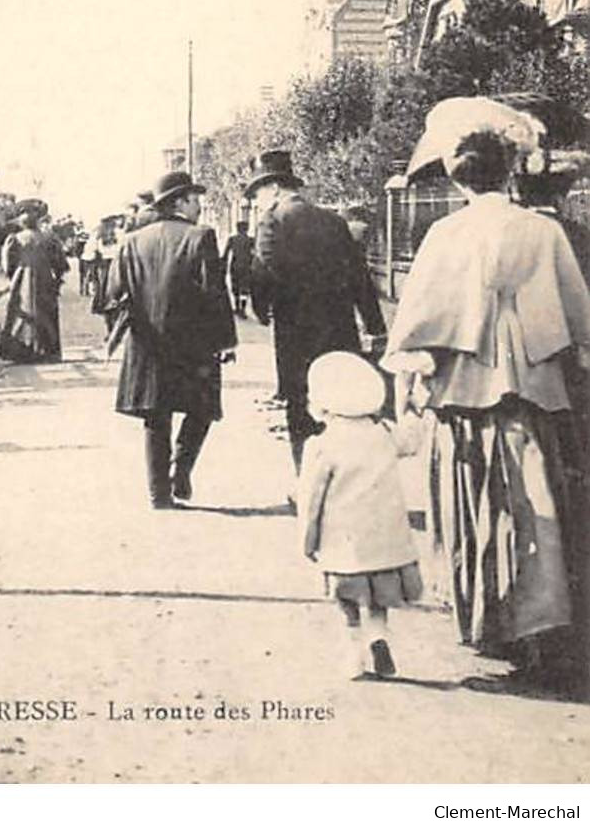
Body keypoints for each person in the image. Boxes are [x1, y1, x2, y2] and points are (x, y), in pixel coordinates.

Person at [384, 102, 590, 680]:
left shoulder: (445, 233)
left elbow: (421, 320)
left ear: (456, 178)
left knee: (473, 501)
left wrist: (415, 378)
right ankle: (542, 621)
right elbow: (578, 317)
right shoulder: (543, 230)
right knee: (534, 501)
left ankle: (486, 619)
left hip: (465, 389)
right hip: (533, 386)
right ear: (509, 171)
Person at [246, 150, 386, 477]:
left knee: (300, 405)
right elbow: (359, 277)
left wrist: (262, 309)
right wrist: (375, 325)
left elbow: (263, 269)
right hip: (339, 328)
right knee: (340, 403)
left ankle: (308, 482)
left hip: (296, 332)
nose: (257, 201)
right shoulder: (334, 221)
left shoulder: (273, 220)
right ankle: (345, 480)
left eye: (258, 193)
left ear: (275, 189)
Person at [106, 170, 237, 508]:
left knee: (156, 416)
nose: (200, 207)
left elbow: (113, 295)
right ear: (179, 202)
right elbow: (215, 295)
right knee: (202, 409)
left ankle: (158, 495)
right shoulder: (201, 237)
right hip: (193, 345)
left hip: (147, 344)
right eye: (195, 200)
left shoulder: (131, 242)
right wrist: (225, 341)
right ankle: (181, 468)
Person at [296, 351, 423, 680]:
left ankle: (354, 651)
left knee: (347, 600)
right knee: (378, 596)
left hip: (343, 545)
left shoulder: (322, 445)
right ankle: (378, 636)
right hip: (383, 541)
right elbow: (412, 441)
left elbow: (311, 499)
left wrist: (307, 541)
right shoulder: (384, 433)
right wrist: (409, 405)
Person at [0, 200, 68, 363]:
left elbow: (7, 263)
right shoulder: (50, 238)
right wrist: (57, 280)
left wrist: (14, 275)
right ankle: (47, 351)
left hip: (22, 278)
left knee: (21, 310)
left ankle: (22, 351)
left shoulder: (14, 238)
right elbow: (60, 263)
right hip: (45, 278)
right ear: (37, 220)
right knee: (46, 311)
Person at [222, 220, 255, 318]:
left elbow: (226, 254)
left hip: (235, 266)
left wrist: (223, 265)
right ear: (247, 229)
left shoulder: (232, 239)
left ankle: (237, 307)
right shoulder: (251, 241)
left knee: (235, 288)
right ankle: (243, 309)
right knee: (244, 289)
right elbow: (255, 253)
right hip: (247, 267)